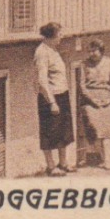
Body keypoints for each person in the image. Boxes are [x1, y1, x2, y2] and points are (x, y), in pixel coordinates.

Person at [34, 22, 73, 176]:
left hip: (62, 94)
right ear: (51, 36)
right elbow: (42, 81)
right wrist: (52, 102)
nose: (62, 37)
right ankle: (51, 166)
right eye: (59, 34)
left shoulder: (53, 50)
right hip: (50, 97)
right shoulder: (41, 52)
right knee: (49, 132)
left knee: (63, 130)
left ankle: (63, 163)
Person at [77, 39, 110, 170]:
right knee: (94, 129)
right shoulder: (84, 64)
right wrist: (92, 99)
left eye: (94, 51)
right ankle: (97, 157)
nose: (91, 54)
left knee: (106, 132)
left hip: (106, 100)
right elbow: (82, 85)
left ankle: (107, 160)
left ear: (101, 50)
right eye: (89, 51)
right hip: (90, 101)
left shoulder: (109, 63)